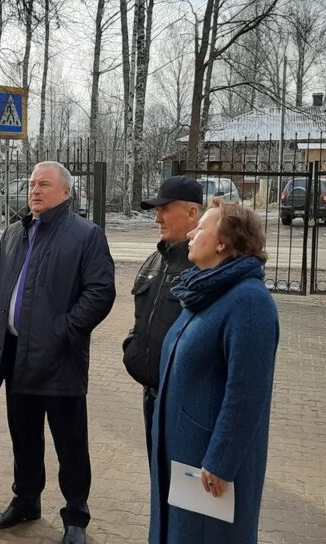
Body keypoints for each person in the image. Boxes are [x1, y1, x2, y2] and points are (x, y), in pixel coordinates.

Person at [0, 161, 116, 544]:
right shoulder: (14, 233)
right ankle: (26, 500)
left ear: (65, 192)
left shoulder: (86, 235)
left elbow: (100, 291)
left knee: (70, 443)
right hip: (16, 358)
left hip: (60, 361)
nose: (34, 190)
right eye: (31, 184)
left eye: (44, 184)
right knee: (24, 439)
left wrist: (63, 330)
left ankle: (76, 515)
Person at [149, 198, 280, 543]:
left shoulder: (249, 302)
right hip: (183, 453)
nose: (191, 233)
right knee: (181, 532)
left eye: (202, 227)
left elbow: (247, 393)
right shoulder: (205, 290)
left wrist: (220, 461)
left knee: (206, 536)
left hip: (209, 465)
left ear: (222, 242)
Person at [122, 177, 203, 464]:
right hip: (153, 393)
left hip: (186, 403)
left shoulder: (206, 267)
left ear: (192, 213)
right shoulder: (155, 260)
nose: (158, 218)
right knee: (158, 474)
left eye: (165, 209)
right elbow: (142, 317)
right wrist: (133, 348)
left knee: (185, 487)